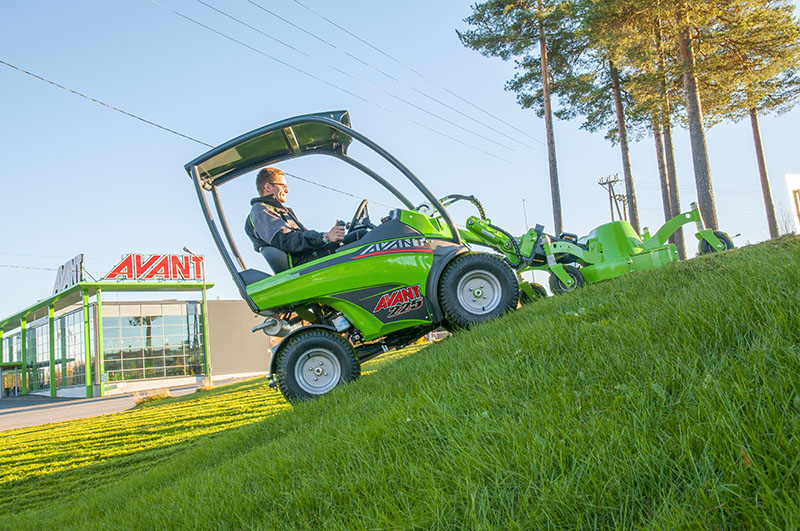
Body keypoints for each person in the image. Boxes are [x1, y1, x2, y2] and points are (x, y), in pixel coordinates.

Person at [245, 167, 345, 267]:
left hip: (309, 257)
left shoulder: (282, 210)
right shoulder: (260, 211)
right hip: (302, 264)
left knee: (354, 237)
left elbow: (302, 238)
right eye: (283, 186)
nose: (287, 190)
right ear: (268, 187)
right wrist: (325, 237)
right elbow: (286, 240)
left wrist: (330, 237)